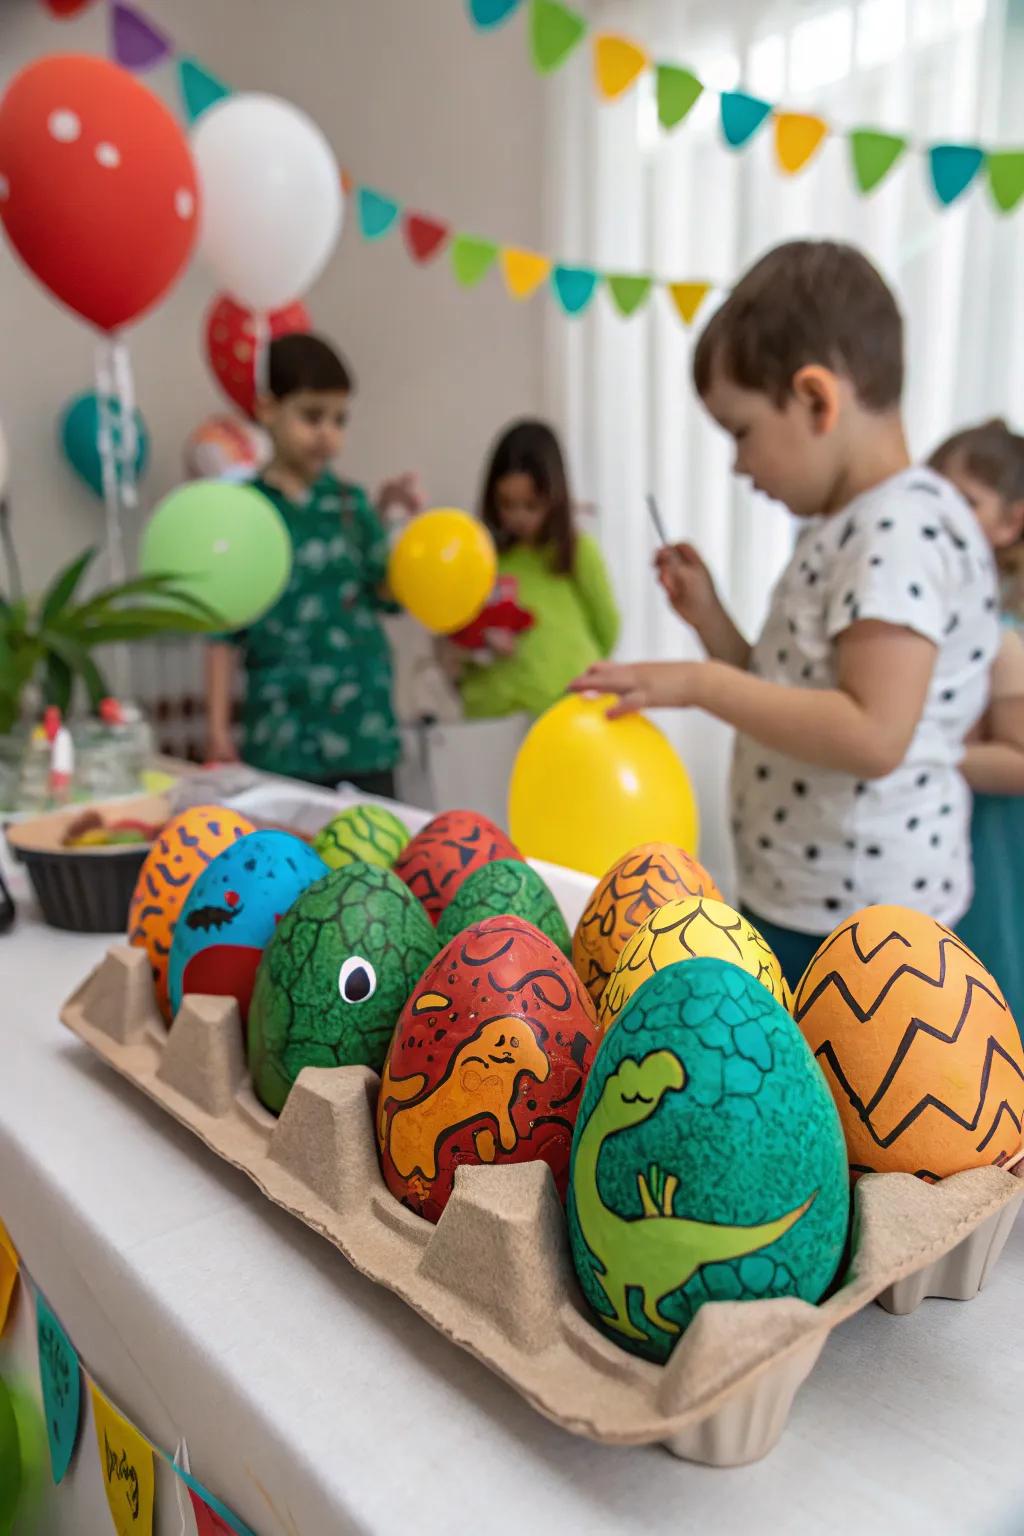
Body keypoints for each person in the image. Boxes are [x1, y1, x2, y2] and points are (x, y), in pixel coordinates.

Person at [571, 240, 1000, 988]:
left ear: (815, 399)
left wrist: (699, 682)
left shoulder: (897, 530)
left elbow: (872, 734)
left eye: (741, 432)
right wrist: (713, 621)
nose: (739, 465)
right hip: (801, 897)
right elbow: (790, 695)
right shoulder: (849, 527)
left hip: (865, 931)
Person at [205, 333, 421, 795]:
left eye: (339, 420)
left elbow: (385, 593)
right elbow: (221, 628)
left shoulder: (351, 504)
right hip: (283, 733)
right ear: (267, 410)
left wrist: (405, 532)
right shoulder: (244, 511)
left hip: (364, 730)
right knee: (289, 857)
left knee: (376, 853)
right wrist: (218, 729)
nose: (328, 433)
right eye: (311, 416)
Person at [928, 419, 1024, 1033]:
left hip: (986, 842)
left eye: (964, 501)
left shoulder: (1002, 636)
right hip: (942, 827)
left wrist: (921, 752)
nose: (941, 515)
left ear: (1011, 522)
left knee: (986, 980)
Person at [456, 420, 619, 719]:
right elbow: (459, 632)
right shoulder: (480, 558)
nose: (518, 517)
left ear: (554, 498)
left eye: (531, 506)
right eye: (507, 504)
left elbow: (608, 628)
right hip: (494, 714)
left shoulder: (577, 551)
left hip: (565, 709)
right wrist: (482, 642)